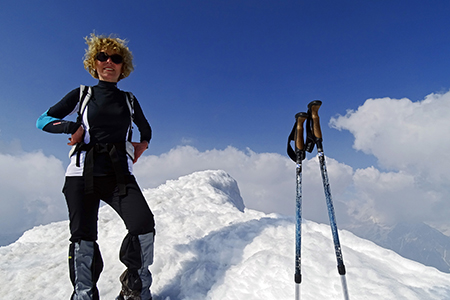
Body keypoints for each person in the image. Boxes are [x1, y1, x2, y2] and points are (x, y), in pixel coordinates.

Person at [36, 33, 155, 300]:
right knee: (83, 237)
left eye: (116, 58)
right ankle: (84, 295)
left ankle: (134, 289)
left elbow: (145, 128)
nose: (109, 62)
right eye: (102, 57)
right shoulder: (82, 94)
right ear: (94, 63)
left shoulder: (129, 100)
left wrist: (142, 144)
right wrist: (72, 127)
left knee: (143, 224)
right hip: (82, 174)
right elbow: (43, 120)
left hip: (119, 175)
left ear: (124, 67)